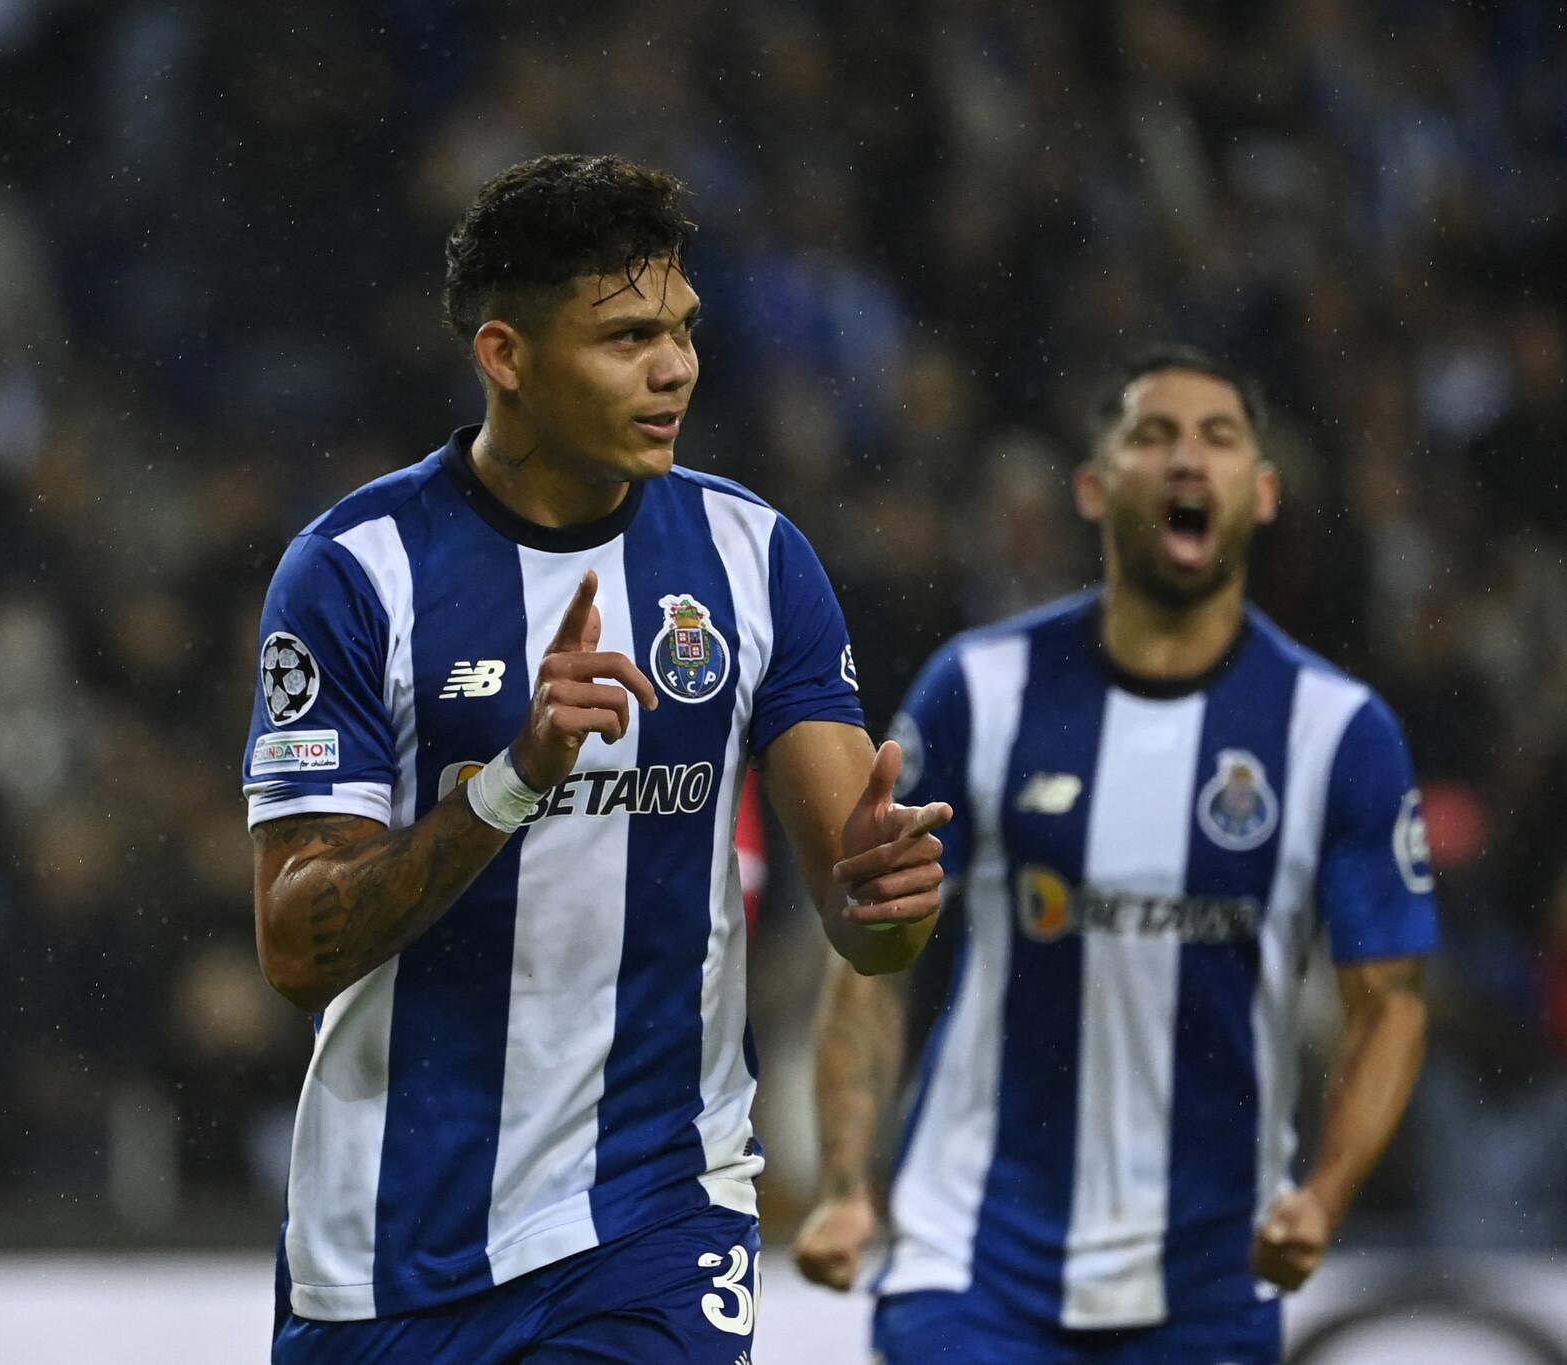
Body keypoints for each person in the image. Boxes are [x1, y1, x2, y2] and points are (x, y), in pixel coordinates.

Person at [242, 153, 950, 1364]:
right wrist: (511, 779)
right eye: (624, 336)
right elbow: (296, 948)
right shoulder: (356, 572)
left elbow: (862, 921)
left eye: (680, 328)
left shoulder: (752, 559)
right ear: (505, 355)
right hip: (391, 1242)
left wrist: (889, 899)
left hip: (657, 1211)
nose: (672, 366)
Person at [793, 346, 1437, 1364]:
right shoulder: (980, 688)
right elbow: (875, 957)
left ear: (1261, 493)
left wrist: (1323, 1196)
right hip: (972, 1256)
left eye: (1217, 438)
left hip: (1210, 1275)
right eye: (1152, 434)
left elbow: (1388, 998)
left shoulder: (1334, 730)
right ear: (1092, 488)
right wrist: (840, 1185)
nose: (1186, 457)